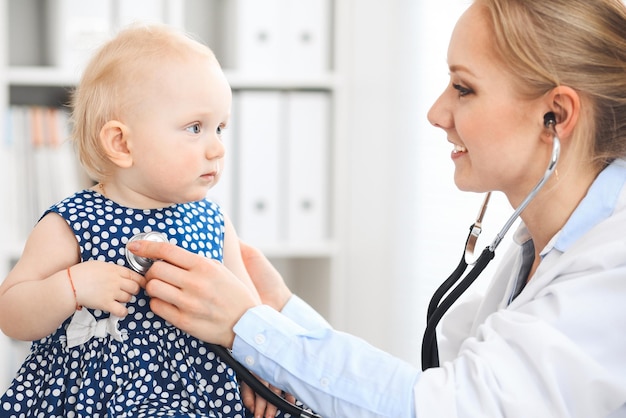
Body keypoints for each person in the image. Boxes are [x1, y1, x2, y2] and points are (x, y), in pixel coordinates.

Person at [125, 0, 626, 416]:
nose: (436, 113)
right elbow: (418, 389)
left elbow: (446, 407)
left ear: (555, 115)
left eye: (464, 88)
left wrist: (249, 328)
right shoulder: (535, 249)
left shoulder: (612, 265)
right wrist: (281, 314)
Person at [0, 24, 291, 418]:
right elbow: (11, 314)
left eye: (220, 127)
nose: (217, 147)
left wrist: (263, 369)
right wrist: (71, 286)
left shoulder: (212, 221)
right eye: (195, 128)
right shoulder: (72, 220)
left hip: (200, 395)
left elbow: (248, 313)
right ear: (122, 143)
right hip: (98, 399)